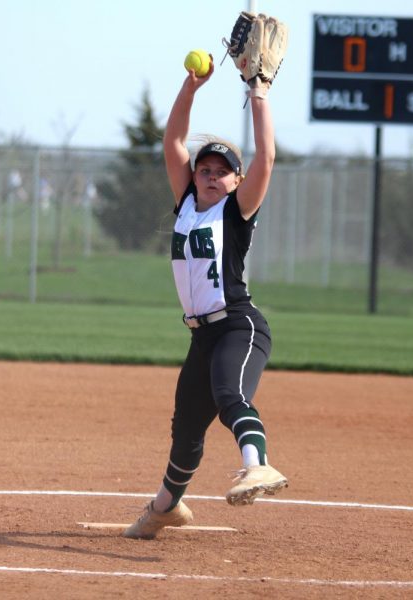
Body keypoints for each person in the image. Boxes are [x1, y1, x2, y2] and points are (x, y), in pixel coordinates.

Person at [123, 55, 288, 540]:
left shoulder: (236, 213)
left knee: (228, 394)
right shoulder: (186, 206)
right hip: (201, 335)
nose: (212, 174)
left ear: (237, 181)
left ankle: (257, 465)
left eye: (223, 170)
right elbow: (173, 142)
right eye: (205, 169)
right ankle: (165, 506)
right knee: (186, 428)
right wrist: (190, 87)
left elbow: (268, 157)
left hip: (239, 325)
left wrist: (258, 93)